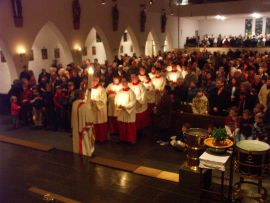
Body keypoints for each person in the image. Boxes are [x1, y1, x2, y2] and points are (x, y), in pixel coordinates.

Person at [71, 90, 95, 156]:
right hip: (83, 130)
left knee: (76, 143)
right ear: (80, 95)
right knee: (85, 144)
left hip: (76, 128)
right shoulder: (84, 106)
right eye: (83, 94)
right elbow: (89, 119)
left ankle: (76, 152)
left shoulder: (74, 103)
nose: (84, 95)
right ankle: (85, 154)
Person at [115, 76, 137, 144]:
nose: (123, 83)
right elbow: (116, 100)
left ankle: (130, 139)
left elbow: (133, 102)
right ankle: (122, 138)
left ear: (127, 82)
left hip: (128, 111)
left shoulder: (131, 92)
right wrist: (119, 105)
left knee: (129, 126)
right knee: (122, 125)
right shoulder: (119, 91)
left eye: (124, 81)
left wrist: (125, 106)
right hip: (121, 110)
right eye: (122, 81)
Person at [90, 75, 108, 142]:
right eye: (93, 80)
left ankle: (101, 138)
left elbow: (103, 100)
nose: (94, 82)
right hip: (92, 109)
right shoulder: (89, 89)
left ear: (98, 81)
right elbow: (86, 98)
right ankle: (93, 138)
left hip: (99, 110)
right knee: (93, 123)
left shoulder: (102, 89)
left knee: (100, 123)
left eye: (95, 80)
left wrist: (95, 101)